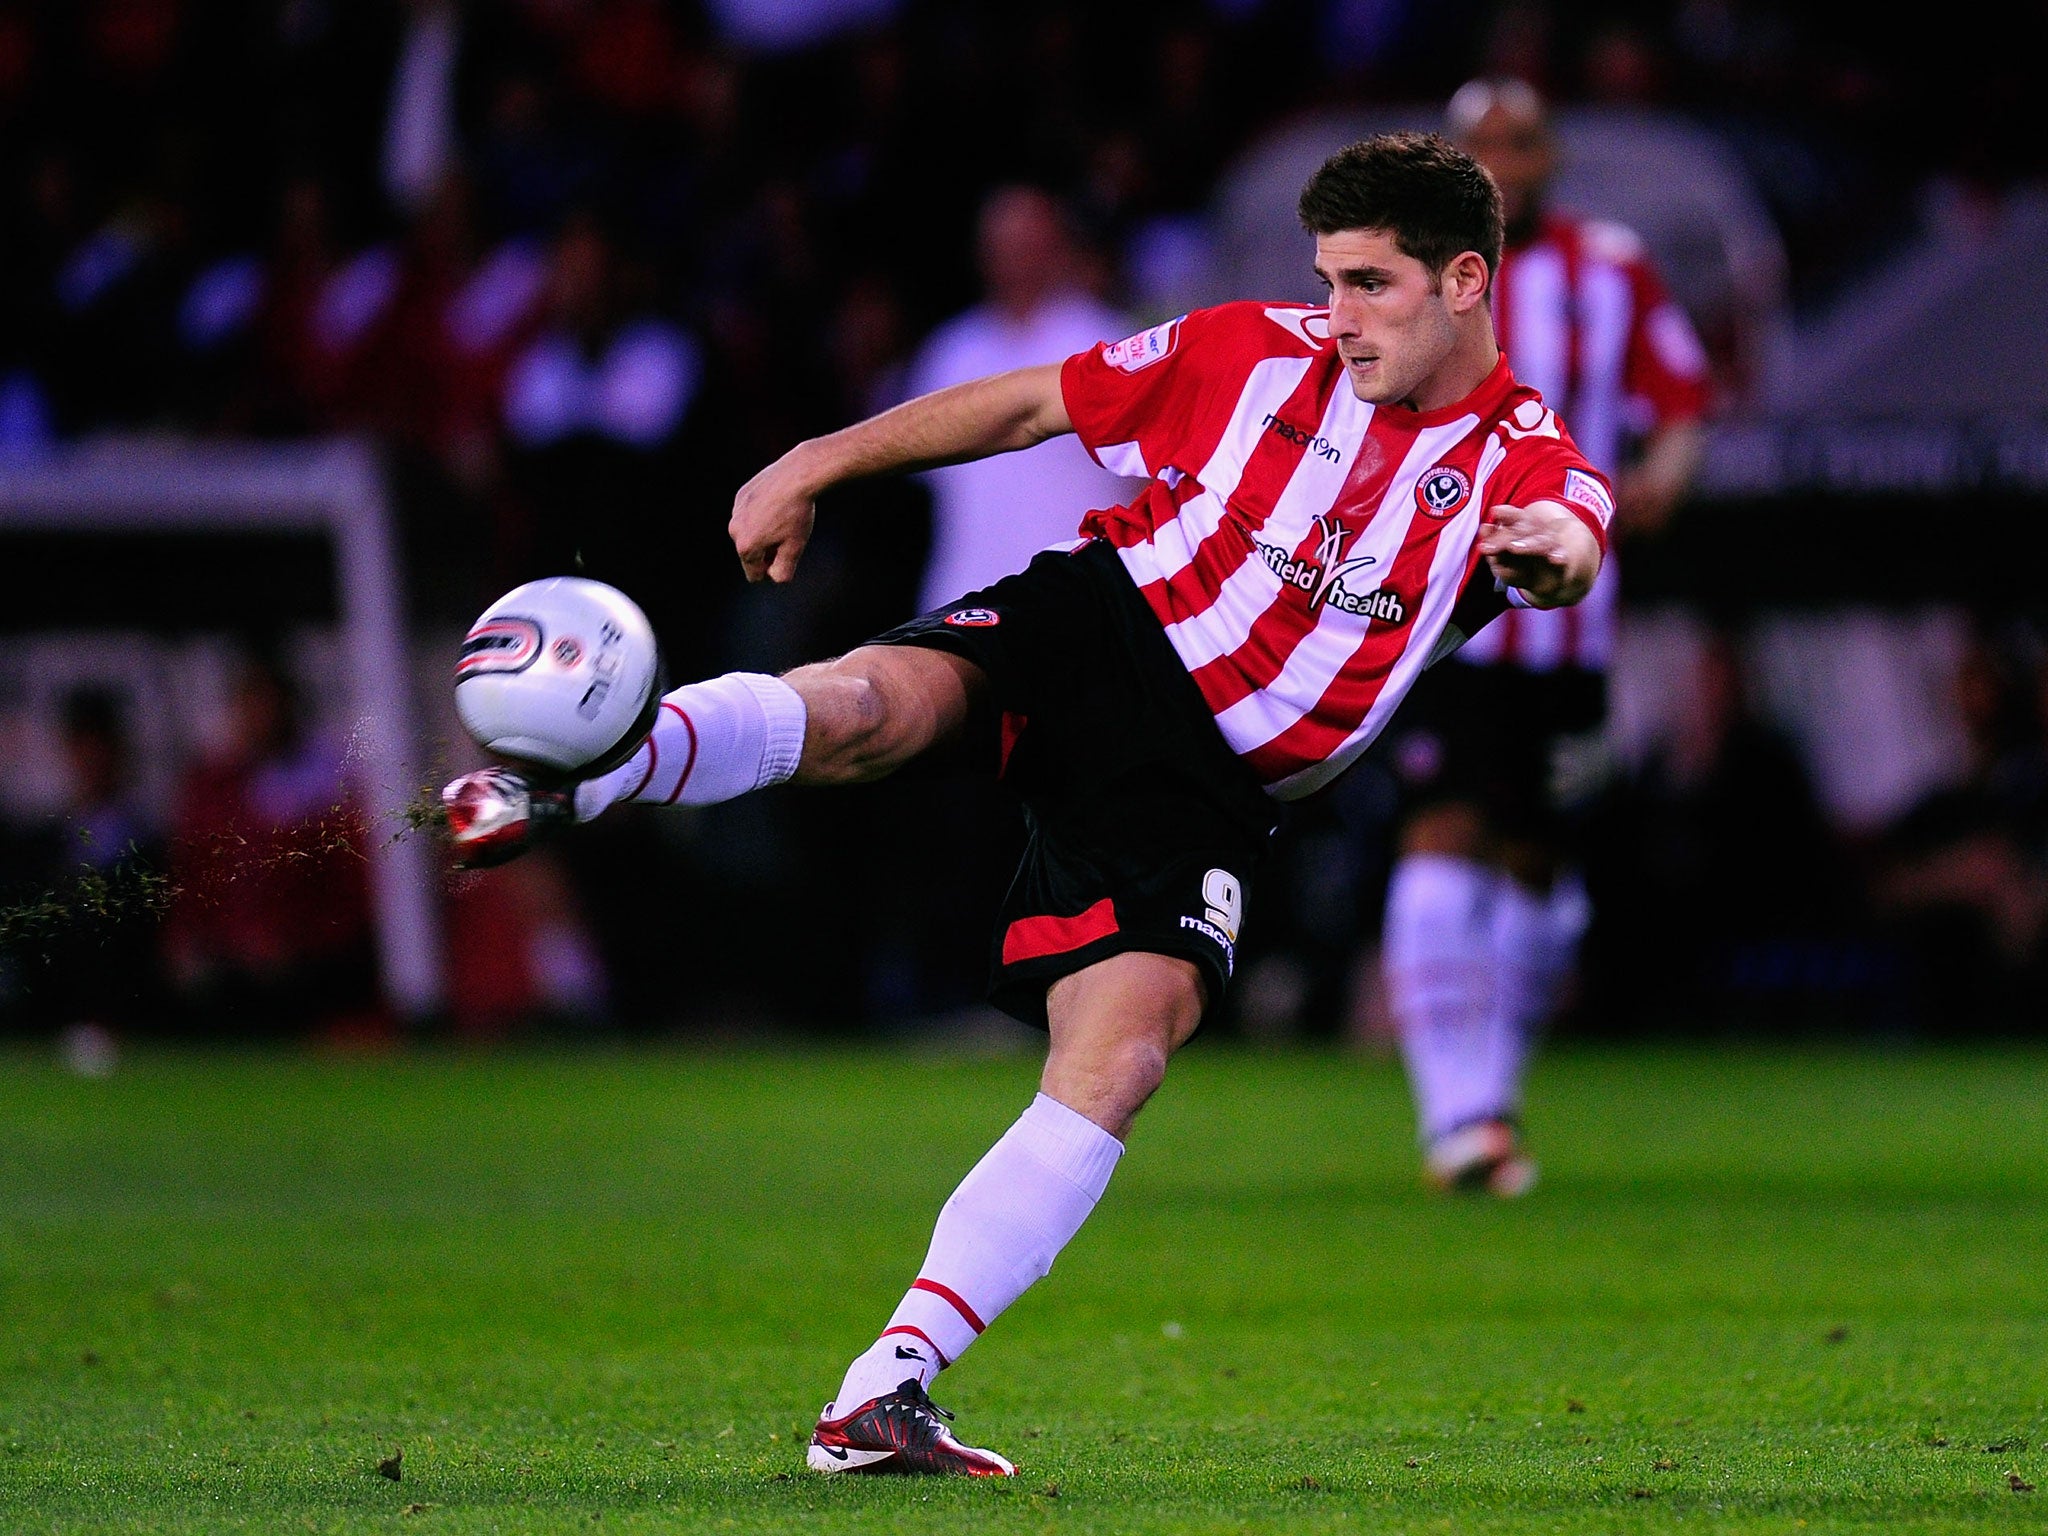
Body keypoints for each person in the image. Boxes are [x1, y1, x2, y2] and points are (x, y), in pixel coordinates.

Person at [441, 132, 1613, 1476]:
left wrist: (1550, 554)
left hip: (1204, 783)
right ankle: (571, 776)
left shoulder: (1522, 454)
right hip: (1107, 624)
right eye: (1327, 281)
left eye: (1370, 285)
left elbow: (1575, 537)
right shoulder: (1251, 348)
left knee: (1124, 1057)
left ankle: (881, 1392)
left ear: (1465, 283)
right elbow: (1025, 408)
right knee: (876, 710)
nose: (1337, 317)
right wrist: (817, 459)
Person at [1373, 78, 1711, 1196]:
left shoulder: (1605, 268)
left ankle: (1489, 1099)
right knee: (1438, 832)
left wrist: (1659, 477)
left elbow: (1678, 397)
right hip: (1437, 620)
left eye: (1519, 145)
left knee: (1537, 870)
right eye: (1483, 147)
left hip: (1566, 627)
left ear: (1547, 155)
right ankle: (1453, 1117)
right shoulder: (1412, 278)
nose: (1504, 165)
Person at [908, 185, 1138, 610]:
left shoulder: (1105, 342)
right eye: (1003, 245)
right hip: (960, 597)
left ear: (1059, 246)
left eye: (1030, 244)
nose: (1017, 260)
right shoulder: (952, 350)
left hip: (1079, 599)